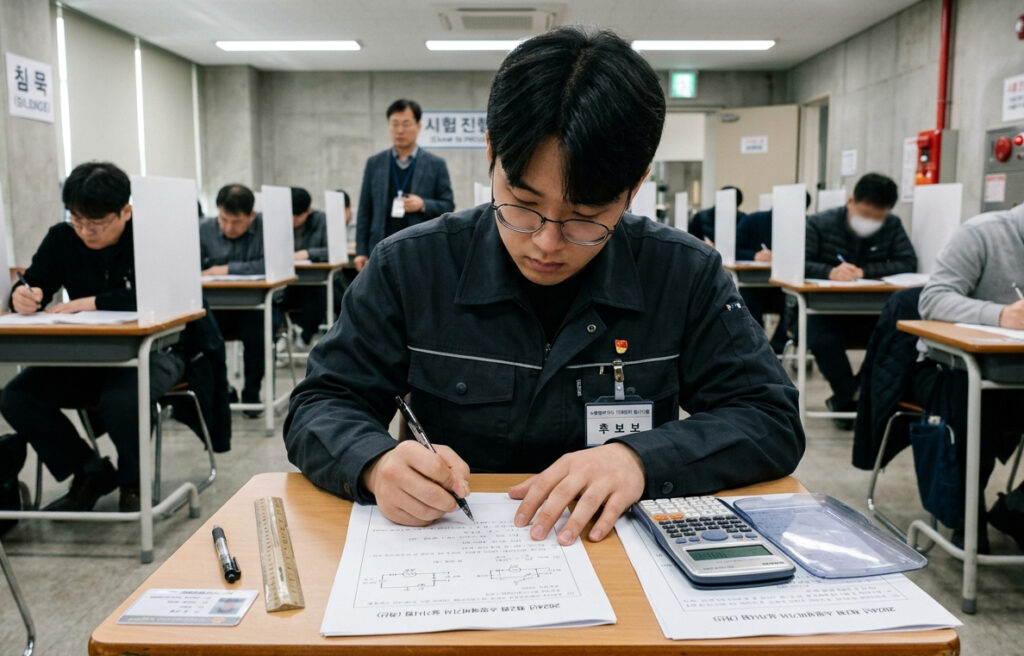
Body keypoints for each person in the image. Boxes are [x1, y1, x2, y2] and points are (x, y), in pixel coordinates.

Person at [284, 27, 804, 547]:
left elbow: (769, 417)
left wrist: (640, 459)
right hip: (454, 556)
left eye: (584, 217)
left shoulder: (683, 273)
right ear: (492, 152)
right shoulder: (412, 266)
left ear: (636, 186)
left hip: (621, 565)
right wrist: (374, 463)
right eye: (523, 204)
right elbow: (322, 401)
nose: (546, 243)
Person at [0, 161, 185, 512]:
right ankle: (89, 471)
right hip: (89, 356)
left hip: (156, 352)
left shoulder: (152, 237)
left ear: (125, 212)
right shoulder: (61, 238)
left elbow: (164, 293)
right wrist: (23, 295)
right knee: (16, 396)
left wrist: (91, 302)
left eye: (96, 223)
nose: (85, 231)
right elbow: (35, 280)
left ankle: (133, 482)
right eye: (77, 219)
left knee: (122, 399)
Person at [914, 202, 1024, 552]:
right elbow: (932, 300)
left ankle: (1016, 508)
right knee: (975, 402)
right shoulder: (982, 233)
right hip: (955, 370)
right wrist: (1000, 315)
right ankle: (967, 514)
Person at [804, 173, 917, 426]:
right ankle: (849, 396)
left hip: (871, 313)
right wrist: (829, 272)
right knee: (824, 341)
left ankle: (851, 397)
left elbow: (908, 262)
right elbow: (799, 262)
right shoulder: (818, 224)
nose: (870, 222)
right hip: (822, 312)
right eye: (865, 214)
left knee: (894, 339)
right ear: (851, 200)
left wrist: (865, 272)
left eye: (877, 218)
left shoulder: (892, 225)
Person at [353, 99, 454, 272]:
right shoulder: (374, 163)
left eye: (406, 124)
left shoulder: (435, 164)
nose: (400, 130)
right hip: (380, 247)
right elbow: (365, 209)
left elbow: (448, 205)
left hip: (420, 247)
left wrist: (423, 205)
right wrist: (361, 251)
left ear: (418, 126)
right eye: (394, 124)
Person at [199, 184, 265, 416]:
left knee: (258, 331)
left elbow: (270, 264)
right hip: (217, 307)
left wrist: (224, 269)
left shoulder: (267, 228)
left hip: (256, 307)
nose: (229, 227)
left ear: (251, 216)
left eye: (236, 222)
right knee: (200, 332)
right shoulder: (203, 229)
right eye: (223, 219)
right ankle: (222, 390)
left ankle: (251, 393)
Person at [735, 191, 812, 353]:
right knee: (742, 305)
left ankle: (775, 350)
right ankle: (754, 348)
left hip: (786, 289)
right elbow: (733, 248)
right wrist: (754, 255)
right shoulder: (753, 220)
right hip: (753, 286)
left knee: (799, 307)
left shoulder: (806, 225)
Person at [276, 186, 329, 348]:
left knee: (316, 294)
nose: (293, 220)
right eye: (289, 215)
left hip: (315, 283)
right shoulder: (277, 221)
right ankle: (283, 333)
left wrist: (307, 253)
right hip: (287, 282)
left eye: (298, 216)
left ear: (309, 210)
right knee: (276, 298)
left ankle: (304, 333)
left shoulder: (321, 220)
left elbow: (332, 249)